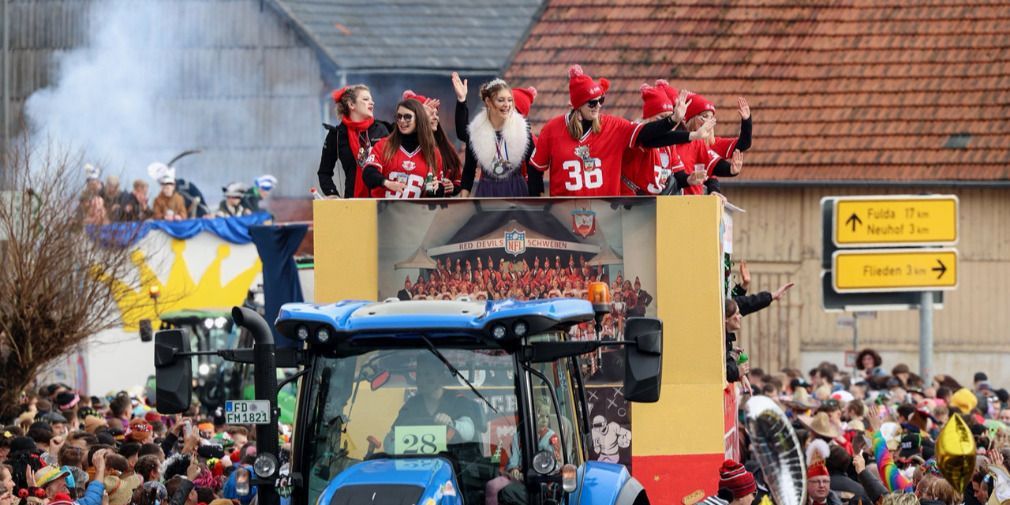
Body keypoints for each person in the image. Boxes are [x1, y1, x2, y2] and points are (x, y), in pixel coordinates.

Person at [529, 65, 715, 197]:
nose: (597, 107)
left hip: (605, 212)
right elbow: (536, 168)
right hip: (565, 213)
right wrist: (537, 205)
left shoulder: (612, 125)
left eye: (601, 101)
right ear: (577, 105)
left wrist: (680, 126)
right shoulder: (552, 129)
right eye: (592, 103)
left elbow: (647, 135)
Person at [451, 74, 540, 197]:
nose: (507, 105)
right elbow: (469, 169)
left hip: (516, 191)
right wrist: (461, 101)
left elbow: (534, 169)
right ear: (488, 102)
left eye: (510, 100)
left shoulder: (522, 132)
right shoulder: (478, 131)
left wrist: (537, 202)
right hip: (488, 191)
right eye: (501, 100)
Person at [362, 99, 446, 199]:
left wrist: (438, 188)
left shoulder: (433, 152)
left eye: (407, 117)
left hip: (416, 212)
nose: (402, 120)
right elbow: (368, 173)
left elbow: (437, 193)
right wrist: (386, 183)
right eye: (399, 116)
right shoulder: (384, 145)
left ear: (419, 119)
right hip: (383, 211)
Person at [317, 85, 391, 198]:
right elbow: (324, 173)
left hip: (381, 201)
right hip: (352, 202)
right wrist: (332, 194)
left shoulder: (381, 129)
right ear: (351, 105)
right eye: (366, 99)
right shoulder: (336, 135)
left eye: (371, 99)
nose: (372, 103)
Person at [620, 82, 689, 195]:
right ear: (647, 118)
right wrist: (692, 135)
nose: (667, 123)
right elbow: (650, 140)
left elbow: (679, 175)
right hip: (630, 205)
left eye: (669, 117)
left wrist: (691, 179)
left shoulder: (669, 145)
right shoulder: (637, 135)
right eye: (661, 118)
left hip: (655, 205)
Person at [403, 90, 461, 196]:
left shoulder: (446, 148)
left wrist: (451, 187)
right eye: (430, 113)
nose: (436, 117)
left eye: (436, 114)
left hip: (440, 210)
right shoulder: (403, 146)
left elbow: (458, 181)